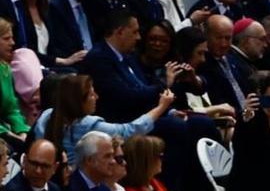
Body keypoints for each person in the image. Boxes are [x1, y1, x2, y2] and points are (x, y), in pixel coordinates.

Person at [38, 71, 171, 171]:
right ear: (79, 100)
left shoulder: (46, 115)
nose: (96, 97)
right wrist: (161, 107)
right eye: (91, 94)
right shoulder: (88, 125)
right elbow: (131, 130)